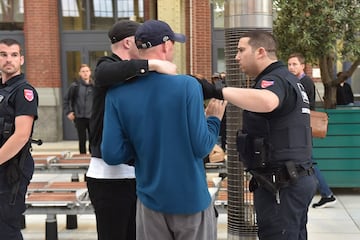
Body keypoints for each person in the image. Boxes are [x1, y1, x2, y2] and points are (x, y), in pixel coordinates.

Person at [101, 19, 227, 240]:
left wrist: (142, 145)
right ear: (166, 46)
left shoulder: (117, 94)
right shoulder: (187, 86)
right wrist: (214, 119)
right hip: (190, 201)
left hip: (150, 203)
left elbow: (111, 154)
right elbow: (202, 146)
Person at [202, 31, 317, 239]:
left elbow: (268, 101)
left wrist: (217, 91)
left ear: (261, 52)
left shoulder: (275, 80)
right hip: (292, 179)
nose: (236, 57)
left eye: (241, 50)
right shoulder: (288, 78)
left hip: (282, 185)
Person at [85, 20, 177, 240]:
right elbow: (104, 73)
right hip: (109, 177)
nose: (146, 47)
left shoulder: (136, 73)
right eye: (141, 42)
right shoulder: (108, 66)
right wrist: (153, 64)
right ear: (128, 43)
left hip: (138, 175)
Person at [0, 38, 38, 240]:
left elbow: (22, 135)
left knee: (6, 228)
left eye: (14, 55)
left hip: (11, 170)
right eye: (3, 54)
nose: (9, 59)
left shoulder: (24, 91)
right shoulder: (2, 91)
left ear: (21, 59)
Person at [288, 53, 336, 209]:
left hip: (303, 127)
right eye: (289, 64)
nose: (291, 67)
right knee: (308, 161)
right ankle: (326, 194)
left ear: (303, 66)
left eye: (294, 64)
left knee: (309, 162)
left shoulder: (305, 82)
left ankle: (327, 193)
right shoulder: (298, 81)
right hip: (302, 127)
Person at [63, 64, 94, 154]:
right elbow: (66, 99)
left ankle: (93, 158)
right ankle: (83, 157)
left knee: (93, 138)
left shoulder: (95, 86)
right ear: (80, 73)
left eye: (87, 71)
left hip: (92, 116)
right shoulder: (75, 86)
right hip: (79, 116)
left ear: (90, 73)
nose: (85, 73)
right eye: (83, 71)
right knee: (82, 139)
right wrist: (68, 112)